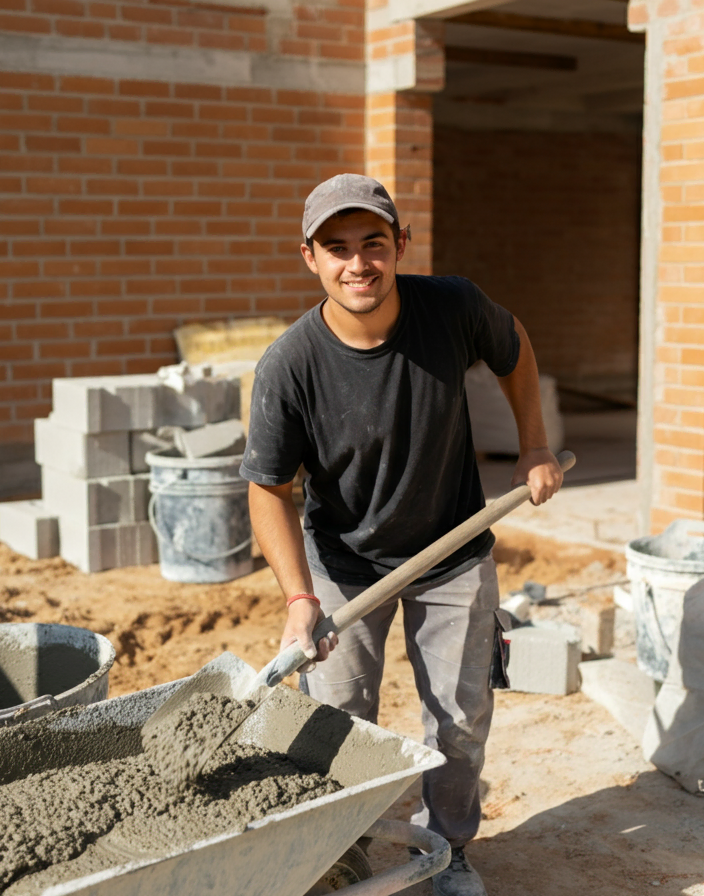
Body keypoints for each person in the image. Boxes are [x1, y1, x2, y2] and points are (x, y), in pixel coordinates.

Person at [240, 173, 563, 896]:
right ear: (311, 258)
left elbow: (514, 346)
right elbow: (268, 490)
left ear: (400, 246)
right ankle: (339, 854)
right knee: (338, 722)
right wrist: (298, 598)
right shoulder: (291, 365)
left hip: (453, 552)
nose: (359, 263)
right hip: (344, 563)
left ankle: (447, 853)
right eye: (338, 248)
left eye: (374, 244)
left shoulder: (450, 307)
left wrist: (534, 445)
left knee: (457, 722)